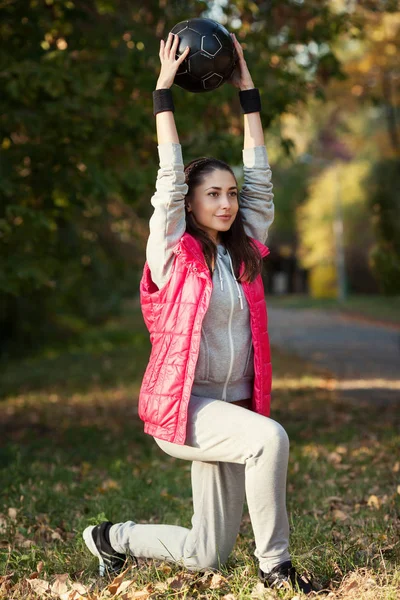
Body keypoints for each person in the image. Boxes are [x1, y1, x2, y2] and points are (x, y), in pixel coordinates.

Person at [83, 31, 316, 594]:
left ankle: (112, 539)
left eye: (230, 194)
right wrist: (163, 92)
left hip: (229, 407)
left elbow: (260, 180)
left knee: (206, 552)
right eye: (212, 194)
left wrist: (249, 92)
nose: (227, 202)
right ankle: (276, 569)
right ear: (190, 203)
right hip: (184, 406)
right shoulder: (171, 254)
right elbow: (168, 181)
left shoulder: (243, 252)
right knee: (270, 440)